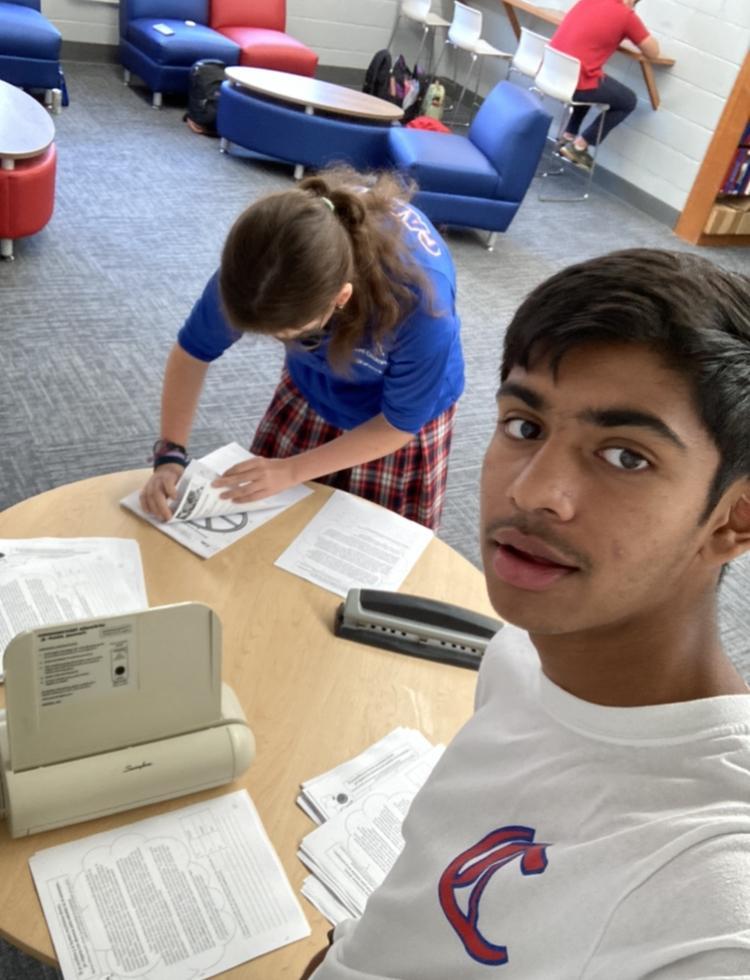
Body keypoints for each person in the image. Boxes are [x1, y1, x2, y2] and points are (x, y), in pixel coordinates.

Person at [305, 249, 750, 978]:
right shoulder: (520, 651)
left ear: (735, 519)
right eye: (524, 426)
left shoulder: (713, 887)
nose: (532, 491)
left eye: (625, 456)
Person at [139, 168, 464, 530]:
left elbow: (398, 425)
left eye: (292, 333)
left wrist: (291, 470)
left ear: (340, 297)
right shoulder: (258, 267)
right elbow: (192, 353)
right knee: (276, 526)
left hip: (394, 420)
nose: (280, 341)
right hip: (313, 386)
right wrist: (171, 453)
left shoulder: (423, 309)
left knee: (363, 536)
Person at [549, 0, 659, 170]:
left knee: (594, 79)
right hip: (575, 83)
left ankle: (568, 136)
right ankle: (579, 146)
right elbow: (653, 52)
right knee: (628, 100)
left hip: (551, 72)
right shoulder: (626, 15)